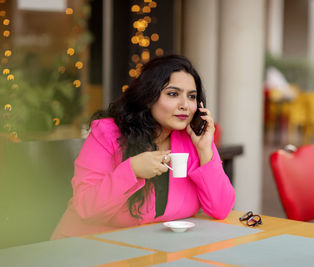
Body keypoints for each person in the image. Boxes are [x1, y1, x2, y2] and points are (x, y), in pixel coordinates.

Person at [51, 55, 235, 239]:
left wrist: (205, 151)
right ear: (149, 97)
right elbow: (86, 208)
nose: (185, 105)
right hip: (90, 248)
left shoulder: (193, 140)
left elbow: (221, 209)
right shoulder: (107, 134)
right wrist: (131, 171)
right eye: (173, 94)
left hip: (156, 250)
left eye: (191, 96)